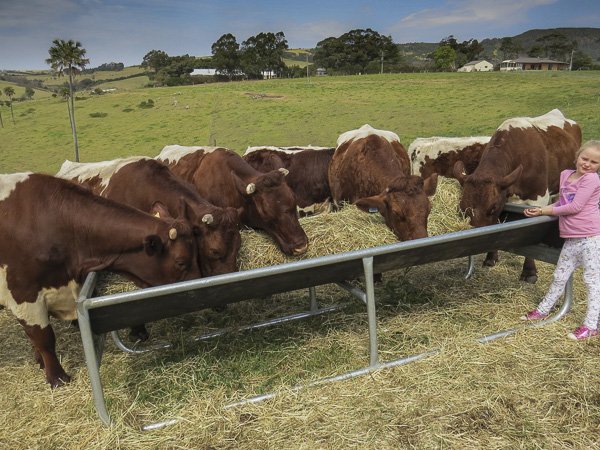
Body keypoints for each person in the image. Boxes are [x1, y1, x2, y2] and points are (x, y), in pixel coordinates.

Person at [521, 140, 600, 340]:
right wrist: (541, 211)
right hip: (571, 238)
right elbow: (563, 202)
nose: (588, 164)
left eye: (594, 162)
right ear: (577, 157)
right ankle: (543, 310)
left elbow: (575, 207)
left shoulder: (591, 180)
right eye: (585, 158)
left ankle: (591, 325)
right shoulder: (566, 175)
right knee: (559, 276)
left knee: (592, 281)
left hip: (590, 237)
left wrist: (543, 210)